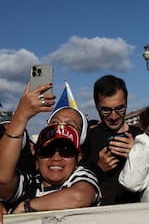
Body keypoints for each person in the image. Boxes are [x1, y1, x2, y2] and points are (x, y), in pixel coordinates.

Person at [0, 83, 101, 214]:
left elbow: (79, 196)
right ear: (36, 156)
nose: (56, 158)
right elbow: (2, 178)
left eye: (66, 151)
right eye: (47, 151)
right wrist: (21, 116)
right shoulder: (29, 183)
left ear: (78, 157)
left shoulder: (83, 176)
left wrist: (26, 206)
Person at [82, 75, 143, 205]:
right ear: (97, 106)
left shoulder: (141, 138)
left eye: (120, 108)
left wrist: (138, 154)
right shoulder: (88, 138)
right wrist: (98, 168)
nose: (114, 116)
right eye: (106, 110)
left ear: (126, 103)